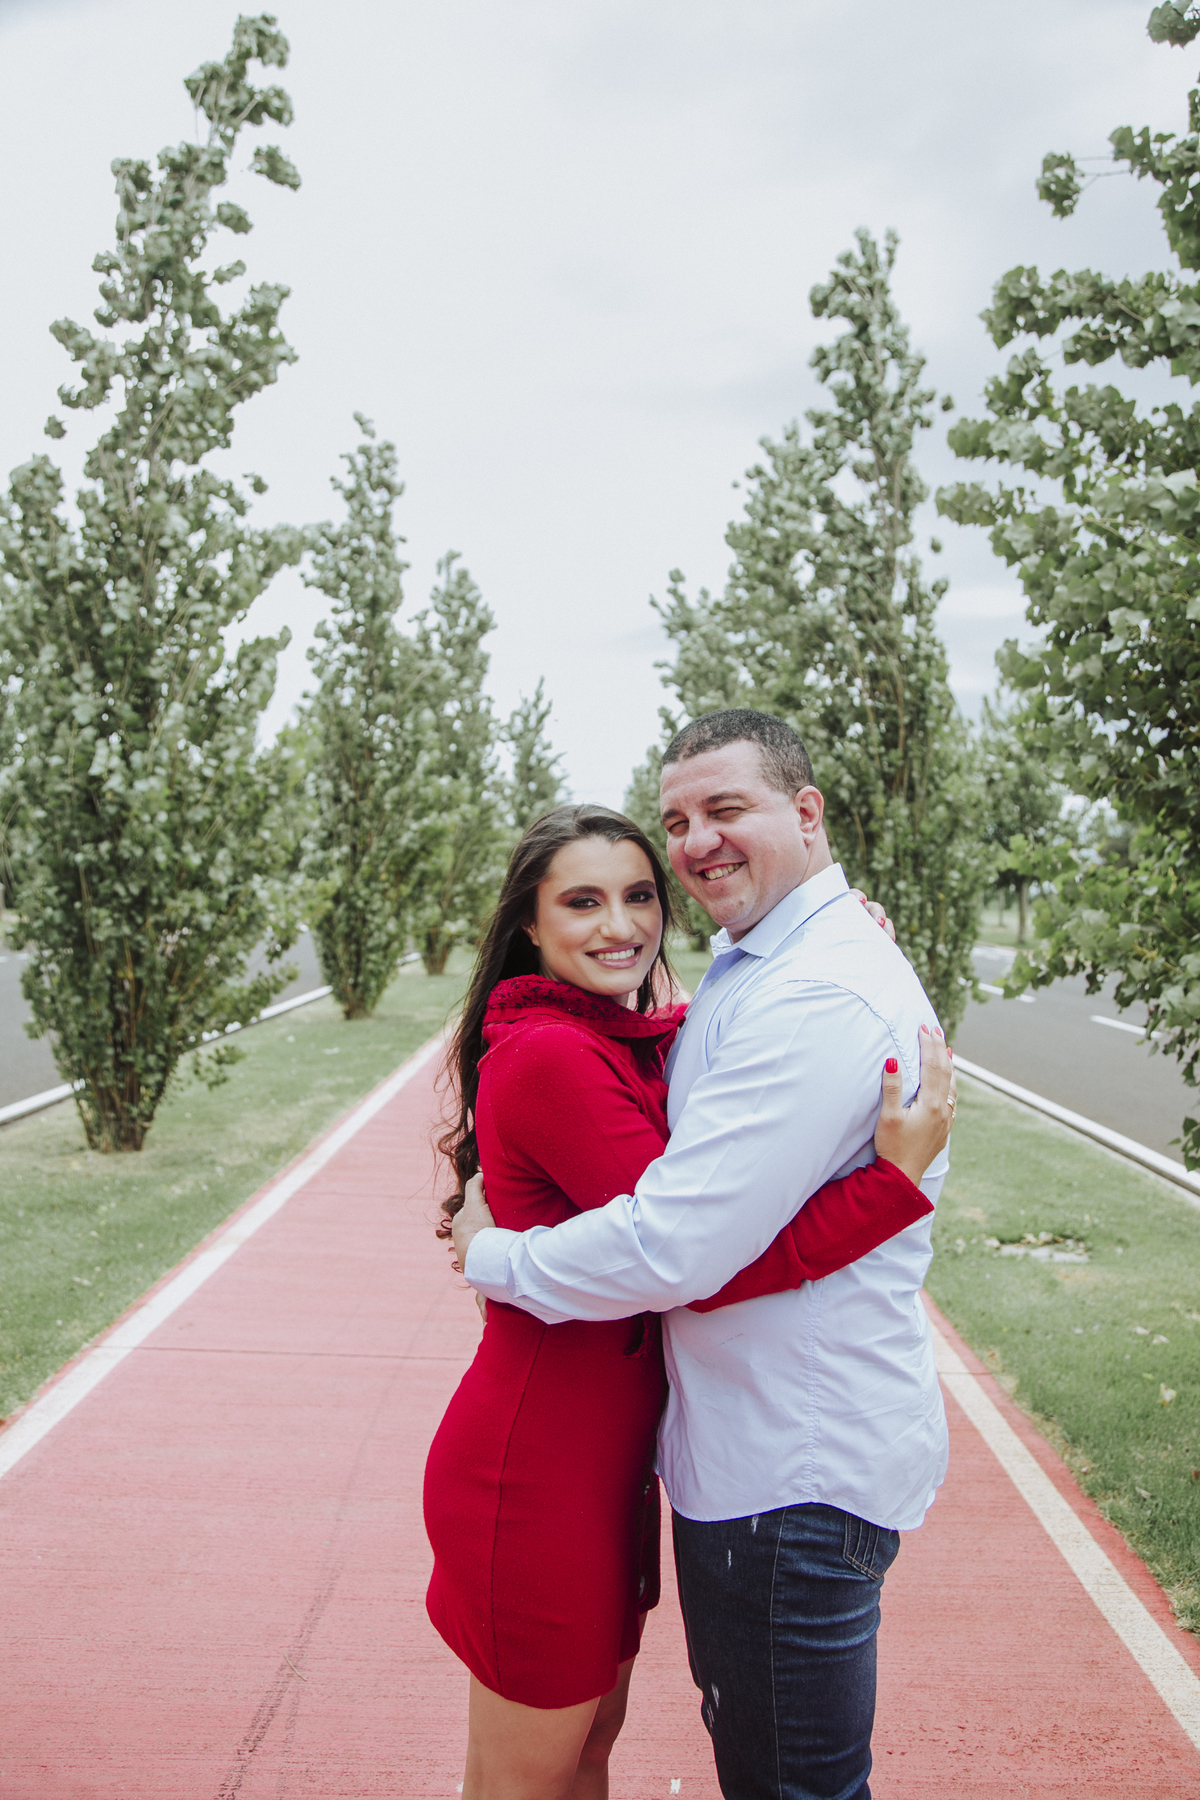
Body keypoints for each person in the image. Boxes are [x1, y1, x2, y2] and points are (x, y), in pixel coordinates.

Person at [454, 710, 955, 1800]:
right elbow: (687, 1248)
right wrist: (884, 1191)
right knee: (547, 1772)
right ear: (528, 926)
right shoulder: (609, 1033)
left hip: (770, 1464)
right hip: (576, 1460)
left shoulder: (791, 982)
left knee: (647, 1764)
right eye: (677, 822)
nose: (694, 847)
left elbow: (679, 1248)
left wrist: (498, 1258)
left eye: (639, 893)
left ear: (807, 813)